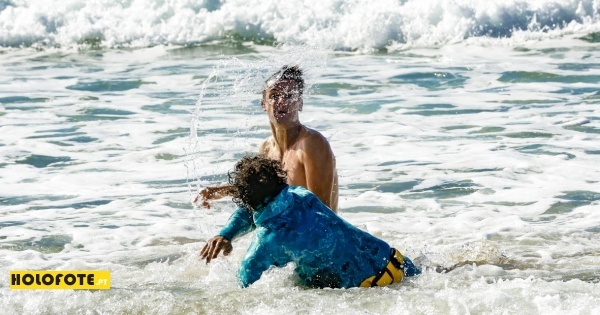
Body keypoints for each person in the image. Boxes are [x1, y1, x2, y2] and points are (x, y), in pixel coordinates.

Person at [199, 66, 339, 263]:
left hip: (319, 249)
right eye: (274, 95)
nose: (282, 100)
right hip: (290, 245)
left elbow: (322, 214)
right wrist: (226, 227)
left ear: (300, 103)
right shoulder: (267, 149)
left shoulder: (312, 144)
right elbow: (266, 199)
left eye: (290, 95)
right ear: (263, 103)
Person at [223, 155, 420, 288]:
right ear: (279, 178)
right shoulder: (302, 194)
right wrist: (226, 234)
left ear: (246, 201)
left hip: (369, 286)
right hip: (393, 260)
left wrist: (227, 235)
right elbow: (258, 210)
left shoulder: (268, 241)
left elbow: (244, 286)